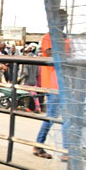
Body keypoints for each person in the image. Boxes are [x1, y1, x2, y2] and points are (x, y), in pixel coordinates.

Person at [33, 9, 70, 162]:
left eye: (64, 19)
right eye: (60, 18)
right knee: (52, 116)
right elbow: (50, 53)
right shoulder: (49, 37)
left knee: (68, 116)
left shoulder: (66, 38)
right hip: (53, 82)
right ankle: (39, 144)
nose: (63, 22)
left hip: (65, 82)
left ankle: (67, 149)